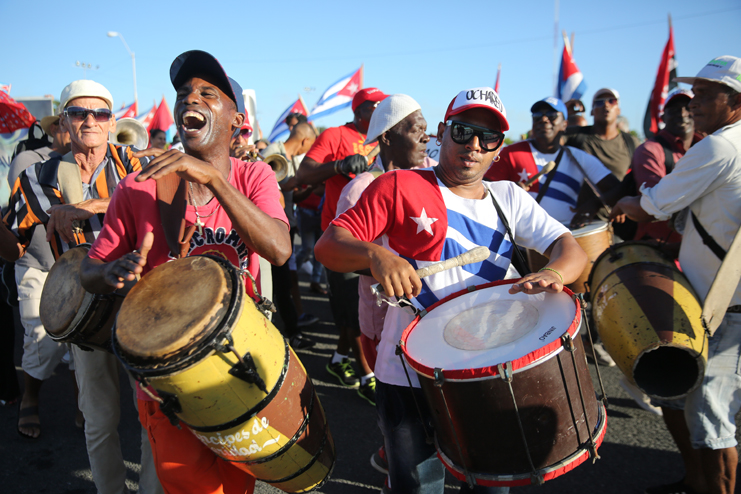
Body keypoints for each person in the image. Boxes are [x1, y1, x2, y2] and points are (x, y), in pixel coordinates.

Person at [315, 86, 588, 494]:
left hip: (490, 372)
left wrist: (554, 274)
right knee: (418, 487)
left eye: (488, 138)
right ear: (442, 132)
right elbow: (328, 247)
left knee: (492, 485)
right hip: (408, 375)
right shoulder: (397, 185)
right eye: (463, 132)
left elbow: (570, 249)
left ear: (499, 148)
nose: (474, 146)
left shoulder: (510, 197)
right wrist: (375, 256)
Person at [79, 49, 290, 494]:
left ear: (235, 120)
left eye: (208, 93)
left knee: (237, 487)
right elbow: (89, 273)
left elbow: (278, 248)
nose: (190, 98)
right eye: (184, 92)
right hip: (167, 381)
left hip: (242, 367)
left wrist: (214, 179)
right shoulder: (137, 185)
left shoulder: (254, 177)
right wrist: (112, 270)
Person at [0, 79, 162, 493]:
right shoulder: (39, 177)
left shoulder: (134, 164)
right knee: (98, 418)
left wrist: (92, 205)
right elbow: (10, 247)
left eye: (100, 113)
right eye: (78, 113)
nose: (90, 121)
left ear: (112, 122)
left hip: (140, 306)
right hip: (83, 311)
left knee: (154, 418)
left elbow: (165, 198)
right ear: (65, 124)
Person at [610, 55, 741, 494]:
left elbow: (654, 204)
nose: (694, 104)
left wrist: (626, 206)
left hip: (727, 308)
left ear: (736, 100)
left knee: (710, 419)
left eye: (707, 94)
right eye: (694, 93)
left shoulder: (719, 146)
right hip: (728, 300)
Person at [295, 87, 387, 397]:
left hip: (379, 238)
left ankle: (337, 359)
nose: (382, 111)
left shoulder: (386, 137)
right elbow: (303, 172)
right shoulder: (335, 135)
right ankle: (367, 376)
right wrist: (339, 166)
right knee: (354, 308)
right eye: (376, 106)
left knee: (364, 307)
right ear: (360, 111)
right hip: (341, 237)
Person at [5, 107, 78, 438]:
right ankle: (29, 399)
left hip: (76, 269)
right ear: (58, 127)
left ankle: (85, 402)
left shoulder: (92, 161)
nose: (78, 126)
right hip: (37, 263)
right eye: (72, 119)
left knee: (81, 343)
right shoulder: (30, 159)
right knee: (41, 341)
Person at [485, 96, 620, 228]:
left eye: (552, 115)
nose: (543, 119)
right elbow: (481, 190)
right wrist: (506, 191)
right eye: (537, 115)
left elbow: (619, 189)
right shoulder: (511, 153)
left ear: (564, 125)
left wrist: (595, 204)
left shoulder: (579, 157)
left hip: (565, 238)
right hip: (521, 244)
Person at [262, 122, 319, 347]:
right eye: (310, 145)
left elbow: (291, 196)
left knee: (287, 281)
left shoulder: (292, 158)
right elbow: (274, 190)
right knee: (280, 284)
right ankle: (290, 334)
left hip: (287, 226)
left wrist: (309, 188)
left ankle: (293, 326)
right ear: (305, 141)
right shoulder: (271, 154)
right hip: (272, 230)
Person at [632, 88, 700, 243]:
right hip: (662, 246)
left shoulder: (707, 146)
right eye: (674, 110)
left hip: (701, 244)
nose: (682, 114)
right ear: (663, 117)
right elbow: (657, 200)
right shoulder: (650, 150)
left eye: (688, 108)